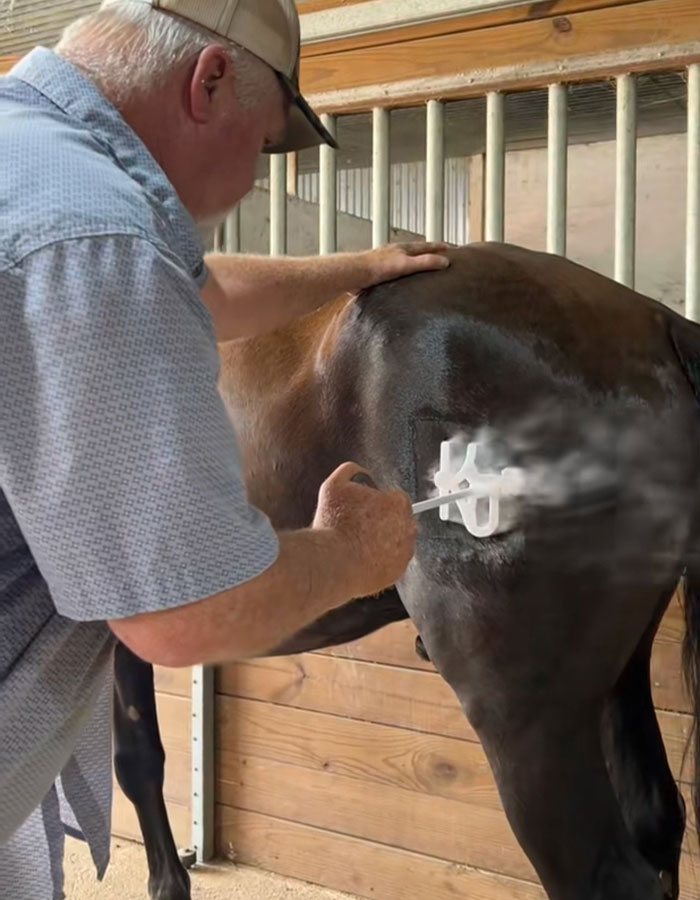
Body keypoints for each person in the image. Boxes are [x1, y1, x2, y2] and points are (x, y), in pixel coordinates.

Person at [0, 0, 450, 895]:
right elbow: (181, 616)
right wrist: (353, 554)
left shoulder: (28, 162)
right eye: (262, 144)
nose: (251, 179)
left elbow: (193, 293)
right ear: (208, 82)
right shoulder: (93, 231)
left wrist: (354, 270)